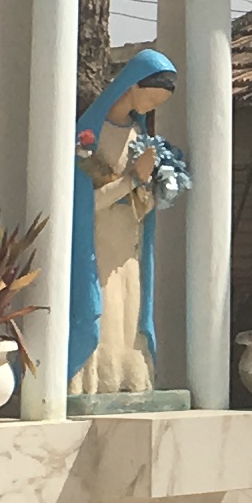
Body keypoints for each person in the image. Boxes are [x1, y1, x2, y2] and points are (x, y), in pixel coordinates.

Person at [67, 49, 190, 395]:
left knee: (129, 305)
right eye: (151, 98)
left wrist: (152, 192)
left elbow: (140, 197)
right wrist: (132, 180)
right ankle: (92, 380)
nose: (152, 109)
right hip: (98, 239)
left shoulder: (139, 136)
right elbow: (82, 203)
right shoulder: (89, 135)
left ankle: (126, 378)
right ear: (133, 86)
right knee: (104, 307)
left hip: (129, 239)